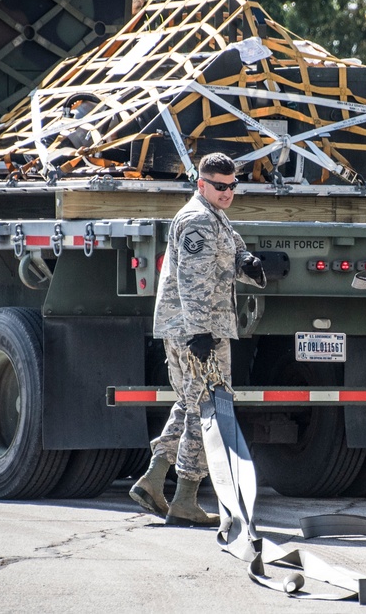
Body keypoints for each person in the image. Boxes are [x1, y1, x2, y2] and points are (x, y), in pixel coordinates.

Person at [130, 152, 267, 526]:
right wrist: (201, 332)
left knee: (192, 403)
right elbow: (193, 282)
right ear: (201, 184)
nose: (227, 192)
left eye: (232, 186)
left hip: (195, 328)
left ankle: (154, 480)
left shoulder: (213, 216)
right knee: (209, 409)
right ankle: (185, 498)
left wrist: (247, 263)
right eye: (219, 186)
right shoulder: (197, 220)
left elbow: (232, 250)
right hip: (196, 330)